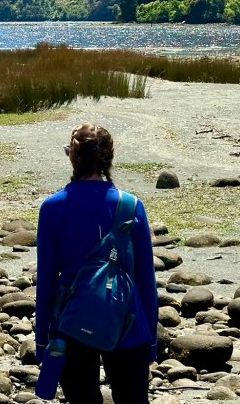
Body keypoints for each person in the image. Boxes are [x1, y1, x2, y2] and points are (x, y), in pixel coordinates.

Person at [35, 123, 158, 404]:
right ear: (109, 157)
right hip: (129, 322)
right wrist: (150, 340)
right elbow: (145, 280)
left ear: (72, 157)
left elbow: (46, 281)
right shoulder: (131, 206)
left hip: (70, 323)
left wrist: (42, 340)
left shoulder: (52, 207)